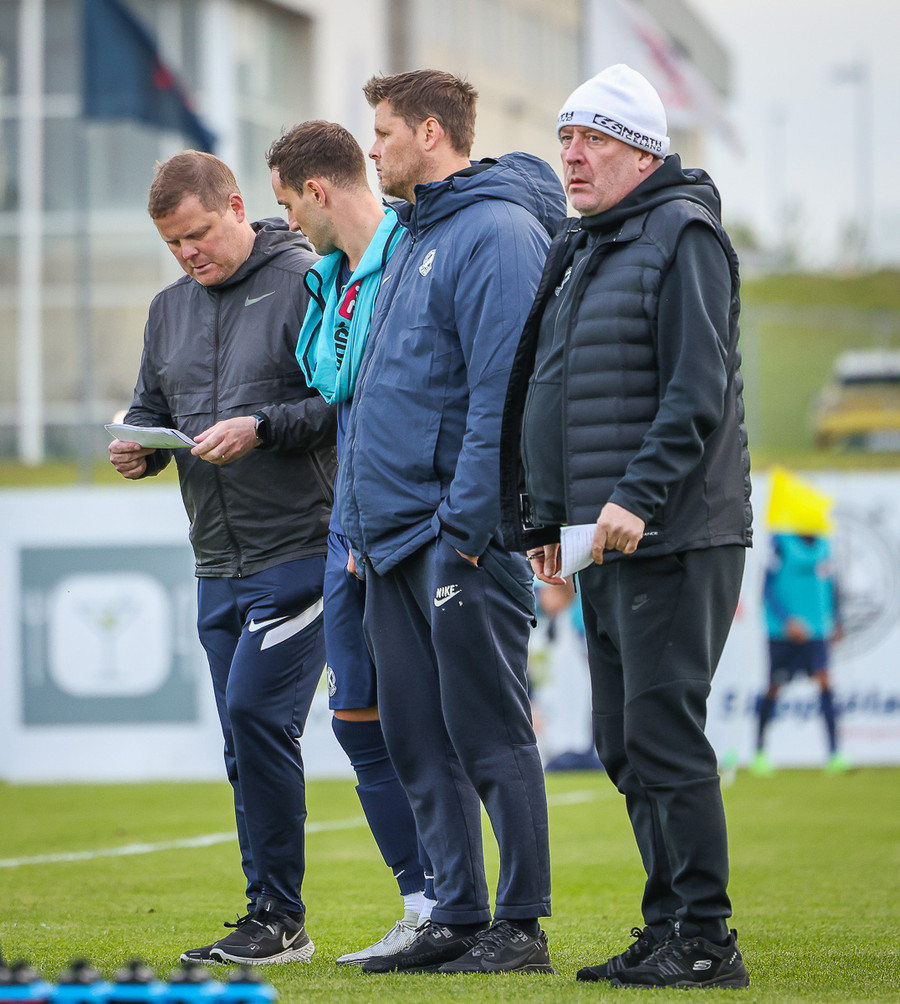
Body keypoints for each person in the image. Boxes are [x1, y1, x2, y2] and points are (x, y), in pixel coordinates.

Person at [500, 64, 753, 989]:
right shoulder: (586, 242)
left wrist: (637, 495)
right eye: (566, 138)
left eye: (594, 139)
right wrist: (543, 514)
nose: (572, 155)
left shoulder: (684, 232)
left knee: (662, 733)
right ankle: (667, 925)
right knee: (621, 741)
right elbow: (553, 387)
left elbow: (697, 389)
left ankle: (706, 940)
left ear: (644, 153)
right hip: (600, 535)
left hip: (672, 531)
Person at [335, 69, 566, 975]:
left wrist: (467, 529)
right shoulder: (413, 234)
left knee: (489, 730)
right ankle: (457, 914)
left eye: (384, 133)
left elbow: (502, 393)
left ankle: (521, 924)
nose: (372, 150)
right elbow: (379, 395)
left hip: (455, 536)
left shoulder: (496, 230)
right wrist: (361, 527)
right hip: (391, 539)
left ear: (431, 133)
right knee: (416, 737)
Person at [109, 151, 335, 966]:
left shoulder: (306, 279)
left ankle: (281, 916)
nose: (188, 253)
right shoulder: (167, 309)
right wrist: (138, 448)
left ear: (237, 207)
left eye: (198, 234)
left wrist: (262, 428)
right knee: (244, 741)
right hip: (215, 560)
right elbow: (150, 407)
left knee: (257, 717)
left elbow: (341, 402)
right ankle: (271, 916)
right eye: (173, 243)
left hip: (302, 548)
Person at [265, 120, 435, 963]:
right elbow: (334, 391)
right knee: (354, 715)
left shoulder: (415, 253)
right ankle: (420, 902)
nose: (288, 223)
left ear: (317, 190)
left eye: (287, 205)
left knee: (429, 722)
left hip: (413, 521)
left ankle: (467, 905)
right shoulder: (330, 281)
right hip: (350, 523)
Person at [753, 468, 847, 775]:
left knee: (825, 683)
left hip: (817, 631)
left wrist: (837, 620)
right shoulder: (780, 542)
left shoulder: (824, 544)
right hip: (783, 633)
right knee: (774, 687)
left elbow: (831, 586)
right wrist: (787, 620)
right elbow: (767, 589)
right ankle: (759, 752)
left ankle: (835, 754)